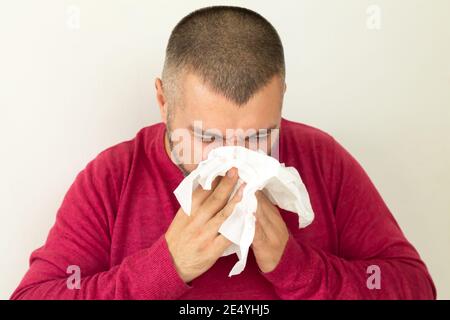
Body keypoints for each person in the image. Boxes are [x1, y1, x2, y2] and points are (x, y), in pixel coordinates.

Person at [11, 5, 435, 300]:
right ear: (163, 101)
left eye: (256, 138)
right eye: (207, 138)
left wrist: (294, 265)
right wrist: (166, 267)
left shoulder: (322, 160)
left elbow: (414, 287)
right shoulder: (112, 178)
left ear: (282, 98)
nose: (233, 162)